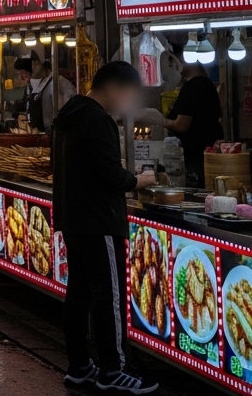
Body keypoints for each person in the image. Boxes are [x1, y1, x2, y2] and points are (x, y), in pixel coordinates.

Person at [52, 61, 158, 394]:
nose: (127, 101)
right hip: (99, 220)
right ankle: (114, 369)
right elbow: (111, 176)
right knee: (109, 297)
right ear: (113, 88)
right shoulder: (97, 120)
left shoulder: (67, 116)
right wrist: (137, 179)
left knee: (79, 294)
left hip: (73, 218)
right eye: (128, 93)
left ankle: (80, 366)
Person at [156, 60, 223, 188]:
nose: (173, 66)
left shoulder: (193, 86)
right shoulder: (207, 84)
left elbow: (181, 125)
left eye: (174, 61)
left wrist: (158, 119)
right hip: (208, 158)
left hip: (194, 161)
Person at [14, 57, 75, 132]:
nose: (25, 79)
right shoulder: (34, 84)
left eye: (25, 75)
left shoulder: (58, 82)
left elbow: (65, 110)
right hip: (39, 133)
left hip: (55, 131)